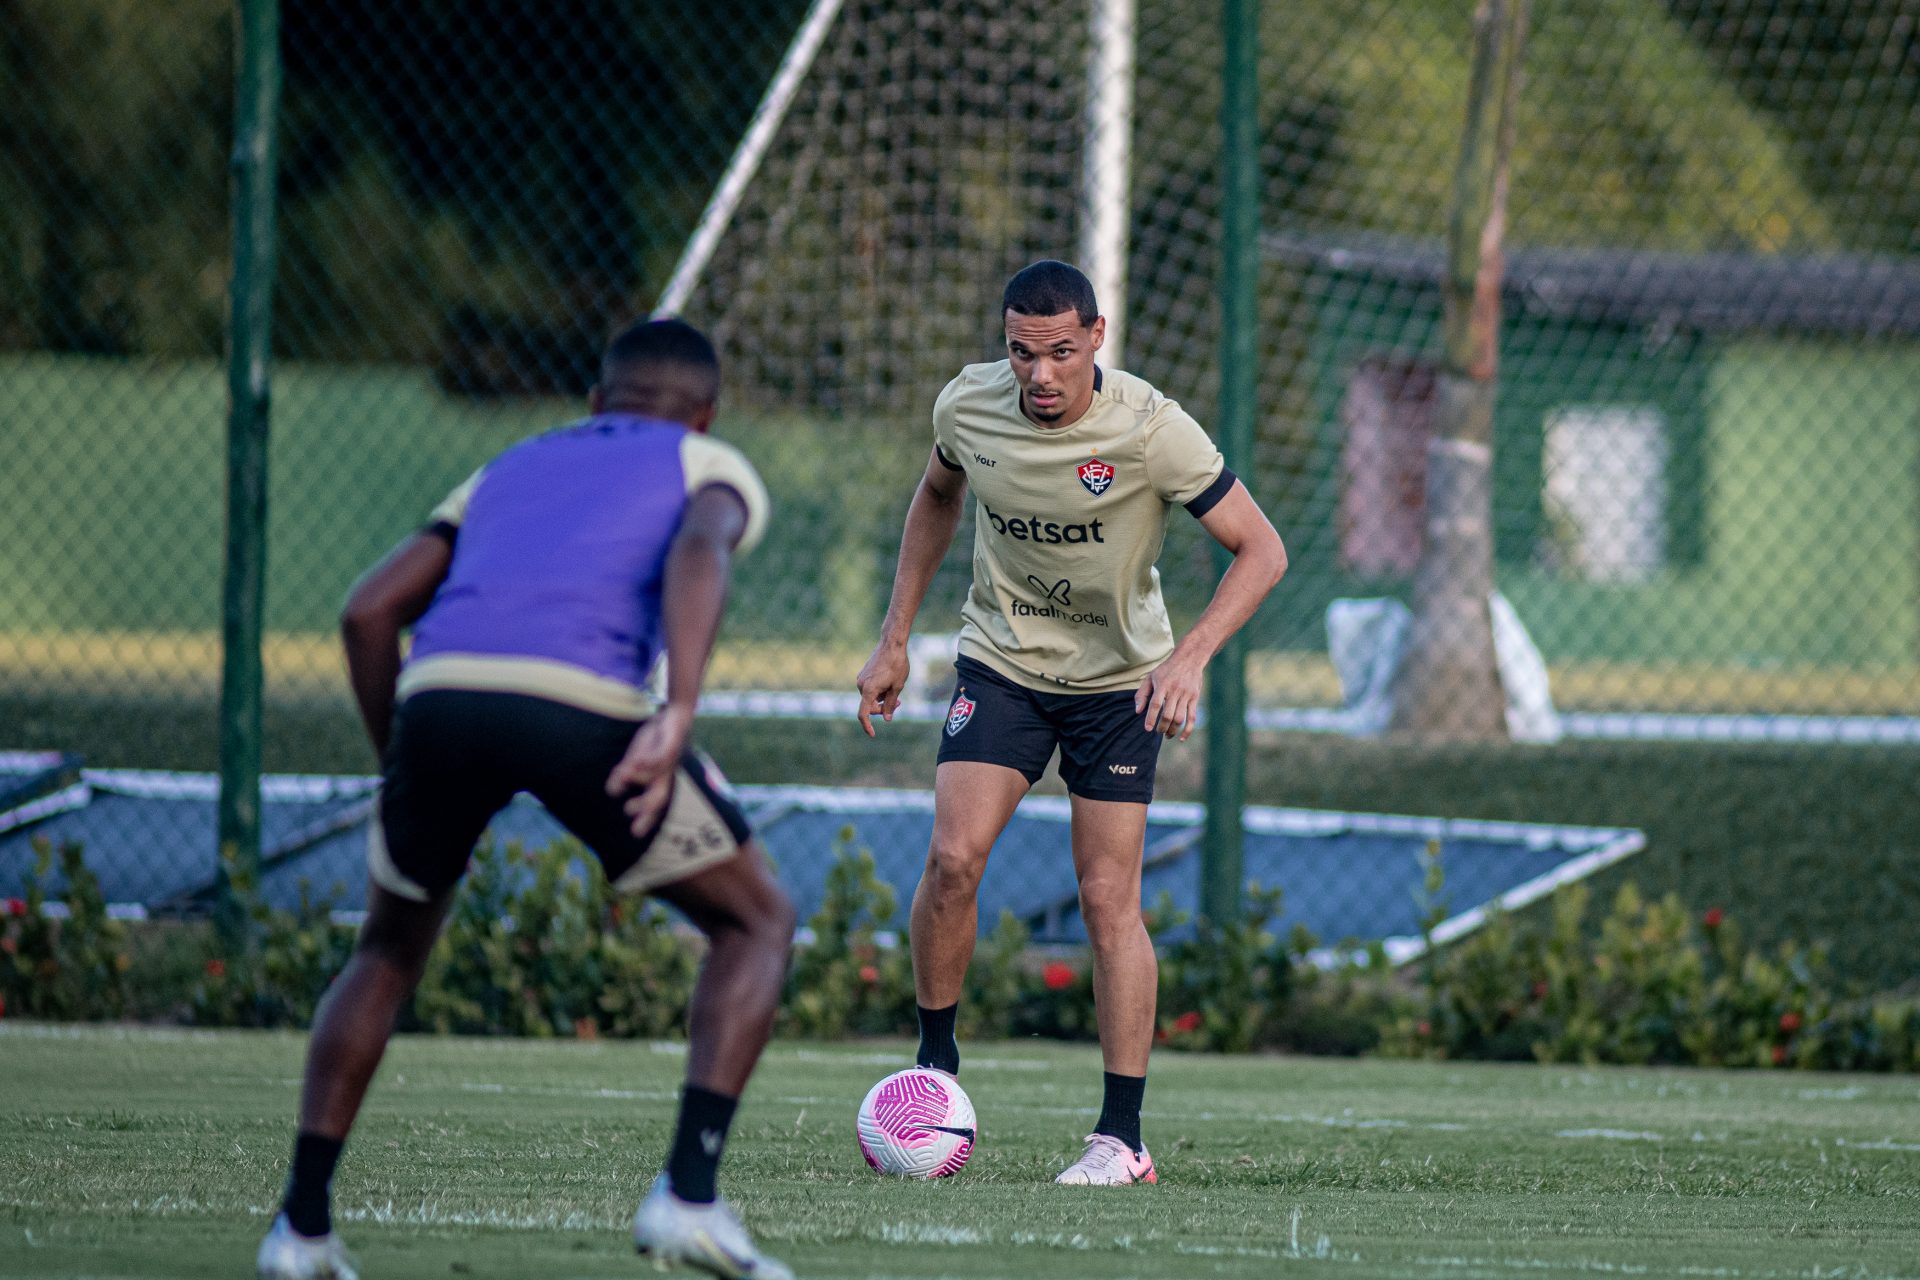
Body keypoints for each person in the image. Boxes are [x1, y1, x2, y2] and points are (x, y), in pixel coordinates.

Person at [257, 319, 798, 1280]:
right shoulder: (707, 463)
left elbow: (368, 610)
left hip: (438, 694)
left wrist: (402, 760)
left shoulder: (509, 464)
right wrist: (677, 710)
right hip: (584, 704)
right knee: (756, 921)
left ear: (595, 404)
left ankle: (299, 1231)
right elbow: (699, 551)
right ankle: (689, 1198)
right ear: (705, 413)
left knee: (385, 948)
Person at [855, 261, 1287, 1186]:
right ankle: (935, 1074)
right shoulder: (968, 408)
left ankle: (1122, 1140)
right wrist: (893, 641)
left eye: (1059, 351)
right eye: (1022, 352)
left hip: (1120, 685)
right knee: (954, 859)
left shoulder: (1149, 428)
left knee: (1104, 901)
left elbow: (1263, 548)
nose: (1040, 375)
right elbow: (936, 496)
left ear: (1096, 335)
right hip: (1001, 665)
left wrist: (1190, 656)